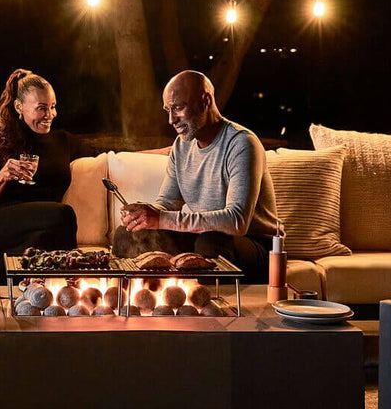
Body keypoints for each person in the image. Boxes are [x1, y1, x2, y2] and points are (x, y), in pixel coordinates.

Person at [115, 70, 282, 282]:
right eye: (168, 110)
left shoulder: (242, 143)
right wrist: (144, 215)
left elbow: (236, 221)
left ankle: (210, 311)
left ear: (205, 100)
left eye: (177, 108)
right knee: (127, 234)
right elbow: (167, 203)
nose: (171, 119)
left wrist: (162, 219)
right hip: (201, 237)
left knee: (211, 242)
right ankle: (154, 302)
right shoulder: (181, 146)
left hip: (256, 247)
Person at [0, 69, 95, 284]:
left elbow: (111, 152)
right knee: (64, 215)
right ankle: (69, 287)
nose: (49, 115)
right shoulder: (0, 143)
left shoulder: (63, 142)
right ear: (19, 107)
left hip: (42, 232)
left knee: (45, 241)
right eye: (41, 108)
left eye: (52, 107)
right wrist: (2, 176)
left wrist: (168, 150)